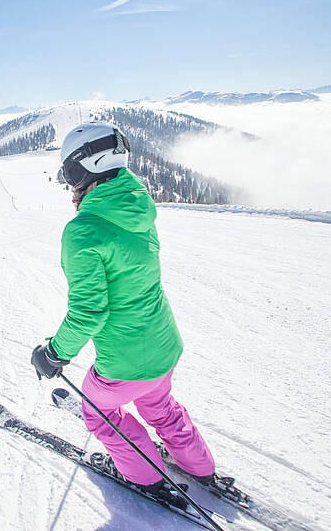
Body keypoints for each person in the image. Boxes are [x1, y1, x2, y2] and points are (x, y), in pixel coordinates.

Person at [31, 123, 215, 501]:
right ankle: (200, 465)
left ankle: (145, 476)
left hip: (125, 365)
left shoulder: (84, 231)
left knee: (98, 412)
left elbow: (88, 314)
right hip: (164, 345)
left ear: (82, 170)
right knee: (159, 405)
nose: (68, 183)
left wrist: (54, 353)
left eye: (68, 172)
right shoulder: (139, 209)